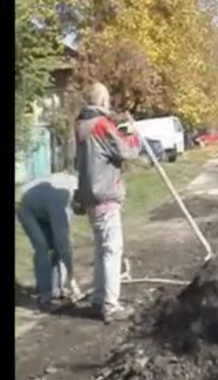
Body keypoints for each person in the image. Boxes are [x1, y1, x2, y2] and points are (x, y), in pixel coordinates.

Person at [74, 82, 140, 323]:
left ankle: (98, 299)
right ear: (103, 101)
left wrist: (116, 121)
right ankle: (110, 306)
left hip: (90, 197)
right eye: (108, 101)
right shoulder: (101, 126)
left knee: (102, 249)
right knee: (112, 250)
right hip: (105, 195)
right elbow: (127, 151)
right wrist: (131, 130)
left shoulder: (82, 125)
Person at [17, 172, 79, 312]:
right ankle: (44, 296)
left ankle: (58, 290)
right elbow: (62, 242)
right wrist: (71, 276)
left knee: (58, 248)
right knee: (42, 248)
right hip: (28, 210)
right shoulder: (60, 202)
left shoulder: (73, 187)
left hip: (43, 206)